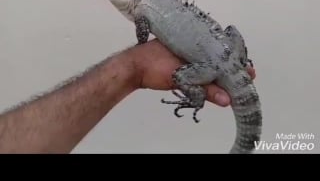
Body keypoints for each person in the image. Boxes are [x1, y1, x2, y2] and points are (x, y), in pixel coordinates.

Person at [0, 39, 255, 153]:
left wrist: (135, 61)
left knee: (181, 77)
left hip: (216, 62)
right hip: (223, 54)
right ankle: (239, 61)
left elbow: (142, 37)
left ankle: (195, 99)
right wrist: (134, 64)